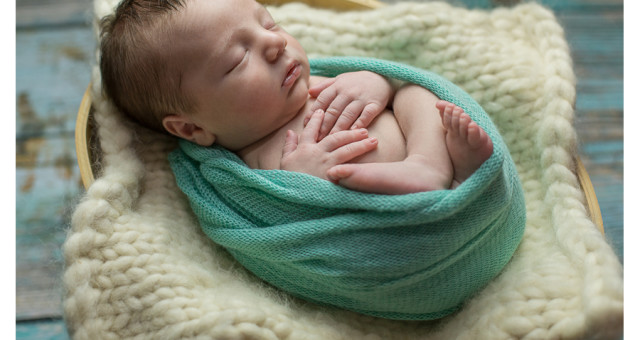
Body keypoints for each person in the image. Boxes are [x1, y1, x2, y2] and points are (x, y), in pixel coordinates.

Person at [100, 0, 493, 195]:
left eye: (269, 23)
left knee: (414, 93)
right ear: (191, 126)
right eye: (238, 59)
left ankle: (435, 164)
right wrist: (301, 182)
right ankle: (447, 181)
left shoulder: (313, 81)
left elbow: (393, 82)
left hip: (425, 164)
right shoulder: (243, 170)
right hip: (390, 224)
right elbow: (268, 223)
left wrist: (375, 82)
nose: (274, 42)